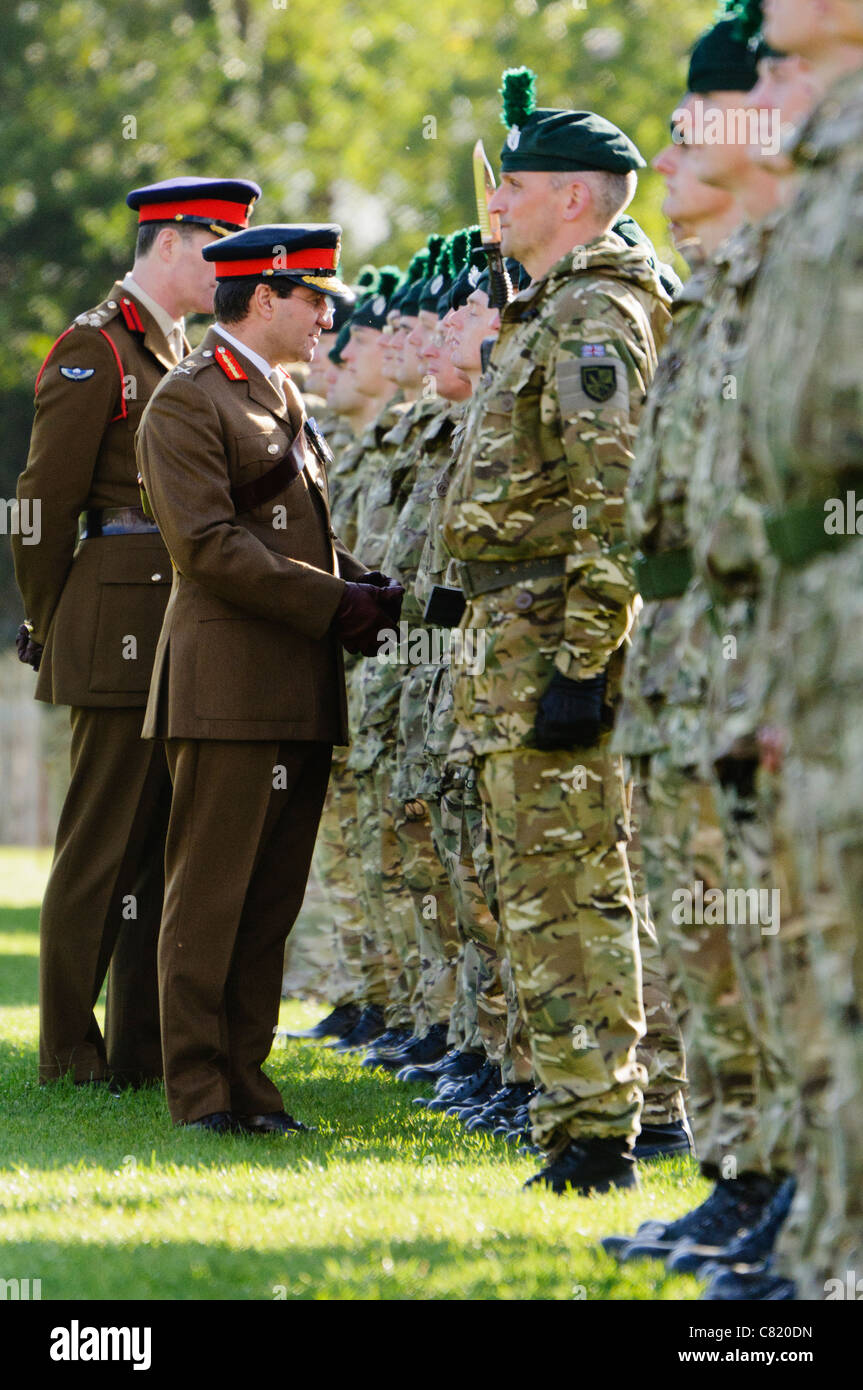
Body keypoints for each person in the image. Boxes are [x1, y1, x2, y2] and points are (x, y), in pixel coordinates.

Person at [440, 68, 678, 1193]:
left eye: (516, 181)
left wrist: (583, 663)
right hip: (514, 633)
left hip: (553, 640)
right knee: (536, 895)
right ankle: (574, 1120)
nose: (496, 198)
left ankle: (599, 1135)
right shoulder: (549, 302)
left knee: (571, 894)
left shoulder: (593, 311)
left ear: (575, 200)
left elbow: (612, 500)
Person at [136, 224, 403, 1131]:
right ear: (263, 298)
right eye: (314, 298)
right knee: (208, 897)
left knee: (268, 901)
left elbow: (299, 541)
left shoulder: (279, 399)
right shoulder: (188, 400)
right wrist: (337, 606)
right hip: (225, 685)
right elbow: (208, 548)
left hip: (295, 680)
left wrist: (367, 588)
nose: (327, 314)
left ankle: (248, 1084)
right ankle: (200, 1092)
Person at [12, 175, 260, 1088]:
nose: (228, 268)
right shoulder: (95, 348)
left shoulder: (175, 348)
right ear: (169, 243)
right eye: (217, 249)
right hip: (116, 614)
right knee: (101, 845)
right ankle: (70, 1054)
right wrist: (49, 618)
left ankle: (140, 1051)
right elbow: (40, 507)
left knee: (160, 847)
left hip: (175, 620)